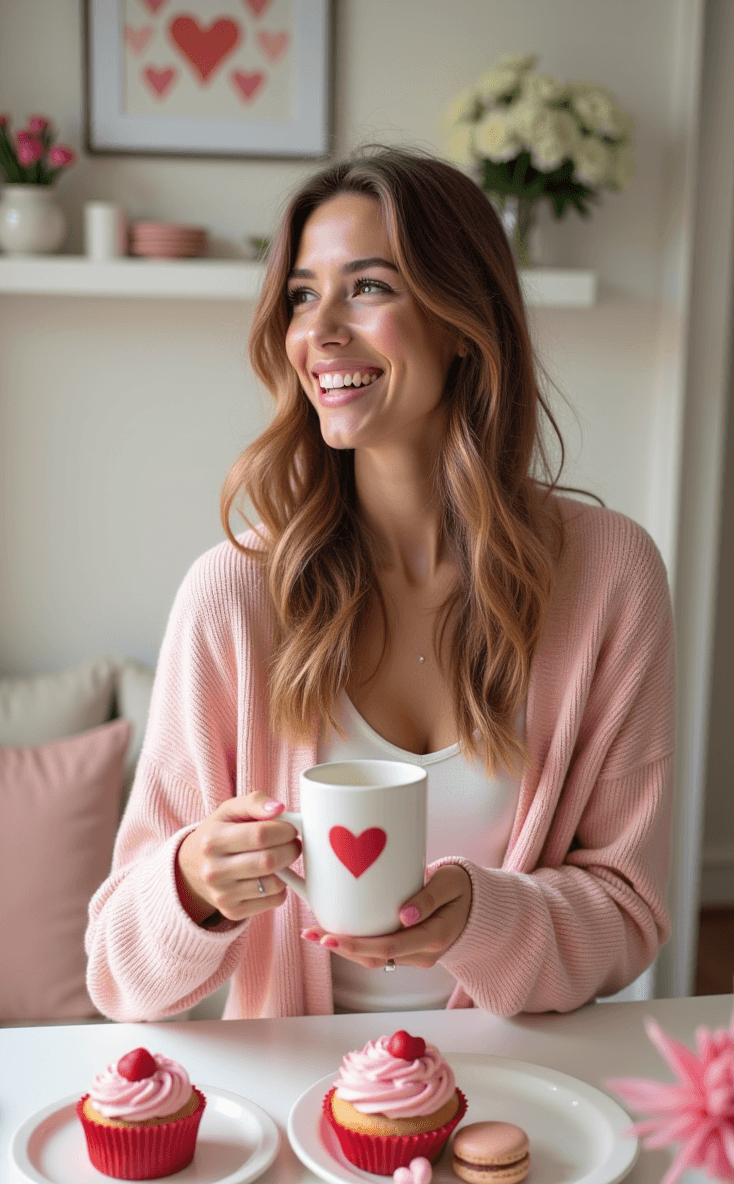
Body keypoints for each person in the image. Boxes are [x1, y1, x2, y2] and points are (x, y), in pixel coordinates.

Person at [85, 146, 674, 1023]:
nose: (319, 331)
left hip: (521, 1099)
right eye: (300, 295)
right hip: (298, 1116)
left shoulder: (610, 579)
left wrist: (486, 916)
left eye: (368, 287)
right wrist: (190, 884)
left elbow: (631, 912)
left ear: (462, 322)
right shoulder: (234, 596)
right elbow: (118, 973)